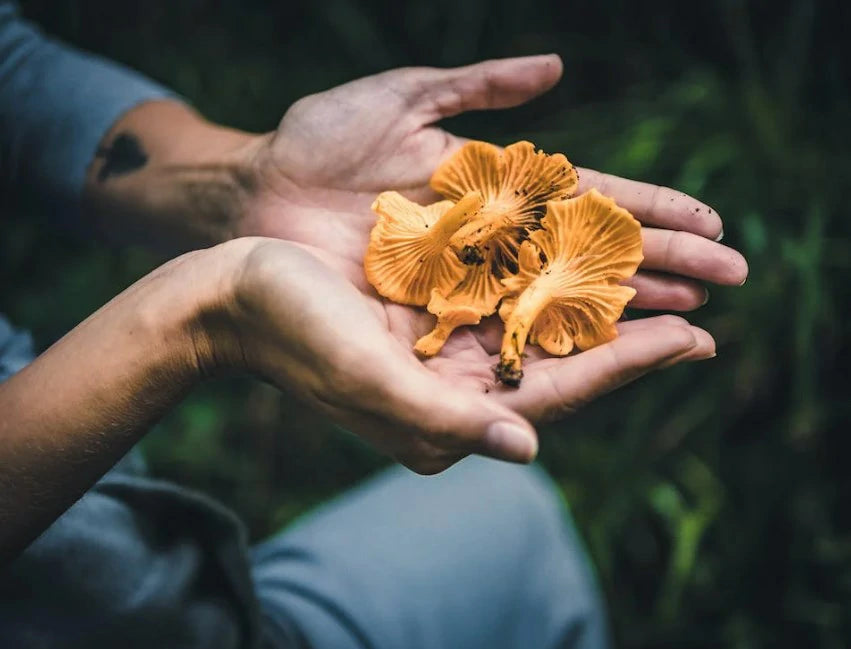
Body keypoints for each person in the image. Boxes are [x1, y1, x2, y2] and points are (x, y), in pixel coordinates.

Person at [0, 2, 748, 648]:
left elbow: (12, 68)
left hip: (163, 580)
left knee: (515, 511)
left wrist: (242, 180)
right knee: (512, 521)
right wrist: (200, 315)